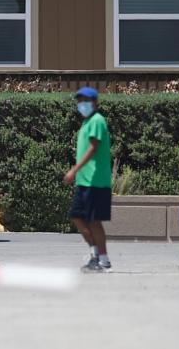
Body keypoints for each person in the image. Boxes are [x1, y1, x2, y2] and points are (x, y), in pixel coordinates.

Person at [63, 87, 113, 272]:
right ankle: (95, 254)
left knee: (93, 221)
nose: (82, 104)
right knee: (77, 217)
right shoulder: (86, 122)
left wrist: (73, 170)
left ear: (95, 103)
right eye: (80, 100)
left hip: (96, 181)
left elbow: (93, 148)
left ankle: (103, 260)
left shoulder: (97, 120)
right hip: (84, 182)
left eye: (86, 100)